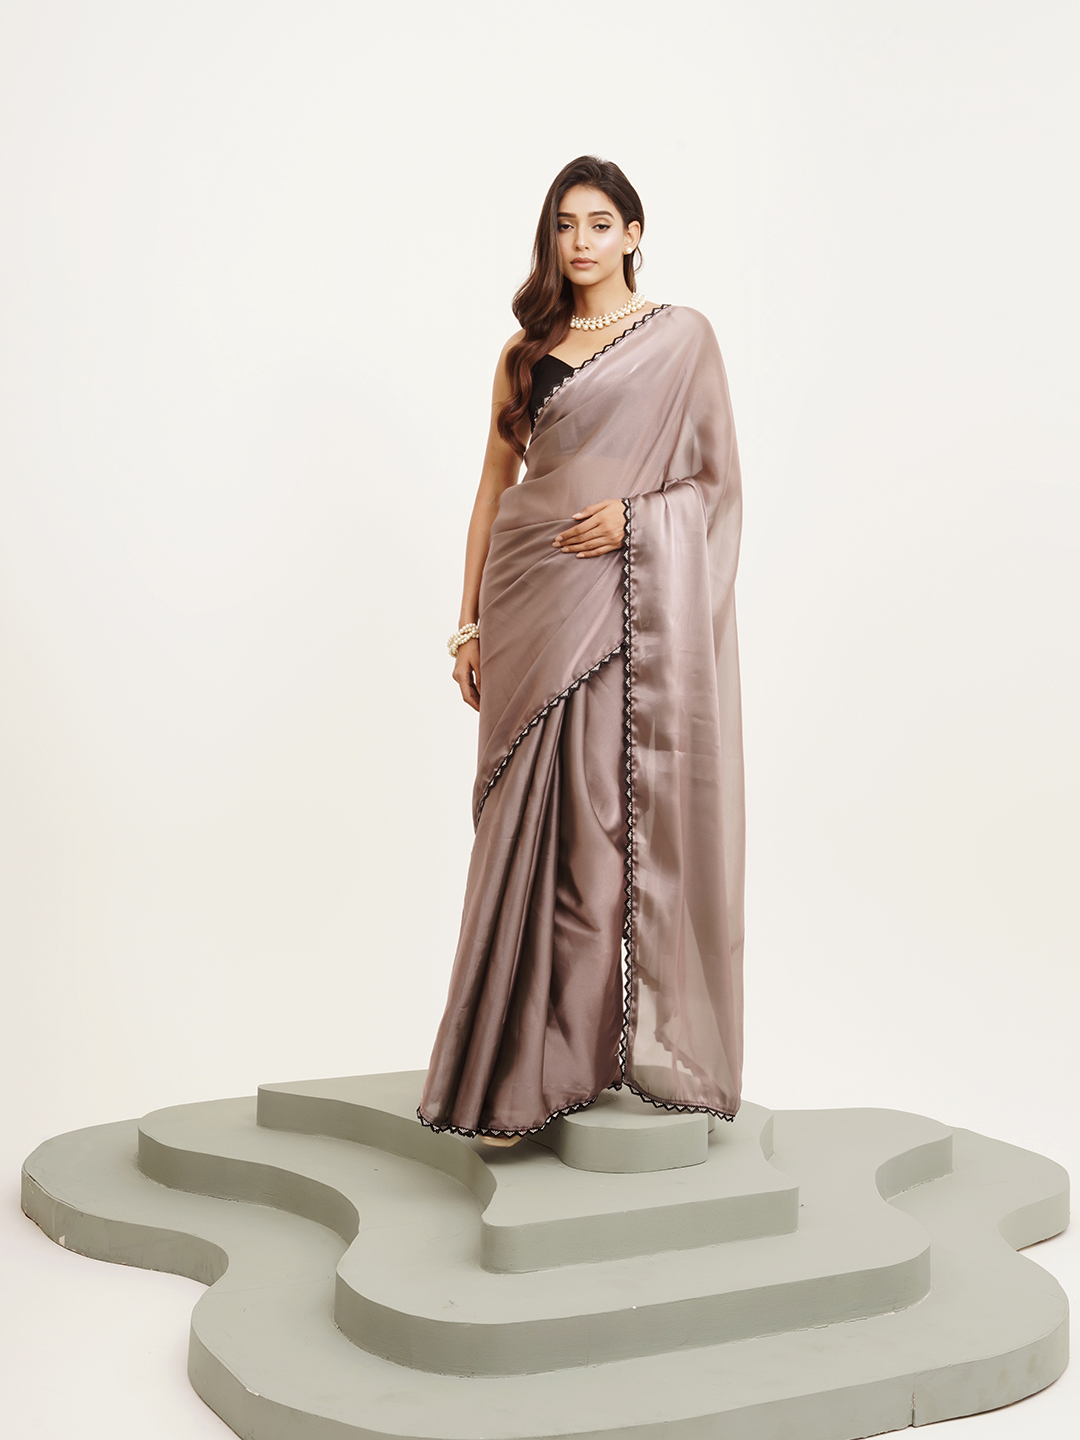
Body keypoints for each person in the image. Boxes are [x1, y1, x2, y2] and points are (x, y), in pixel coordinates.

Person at [418, 156, 744, 1148]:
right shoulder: (526, 353)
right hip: (527, 605)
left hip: (618, 612)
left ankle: (563, 1064)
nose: (581, 242)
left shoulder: (681, 339)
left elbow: (715, 487)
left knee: (598, 833)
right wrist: (469, 624)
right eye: (565, 225)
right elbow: (493, 489)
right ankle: (502, 1071)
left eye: (600, 224)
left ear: (634, 234)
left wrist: (637, 520)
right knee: (516, 836)